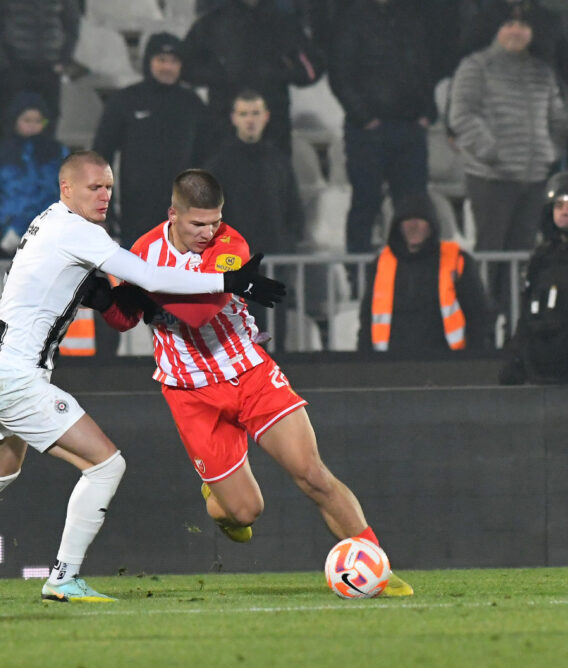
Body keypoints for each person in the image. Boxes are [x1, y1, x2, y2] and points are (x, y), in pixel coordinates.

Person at [0, 151, 285, 604]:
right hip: (15, 376)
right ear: (66, 189)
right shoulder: (78, 232)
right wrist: (228, 283)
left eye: (109, 187)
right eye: (93, 187)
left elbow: (99, 296)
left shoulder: (49, 221)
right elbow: (147, 275)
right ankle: (62, 577)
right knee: (106, 464)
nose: (104, 196)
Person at [95, 169, 413, 597]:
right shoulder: (143, 249)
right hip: (189, 391)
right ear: (173, 214)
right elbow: (123, 320)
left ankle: (378, 568)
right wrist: (103, 295)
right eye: (197, 224)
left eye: (215, 221)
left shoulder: (232, 244)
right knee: (245, 512)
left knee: (313, 475)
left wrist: (144, 285)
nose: (209, 232)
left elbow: (202, 313)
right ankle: (219, 492)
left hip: (248, 372)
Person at [449, 12, 568, 311]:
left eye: (523, 25)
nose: (516, 31)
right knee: (491, 254)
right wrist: (493, 152)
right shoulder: (476, 66)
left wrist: (548, 152)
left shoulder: (542, 72)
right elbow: (461, 116)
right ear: (496, 28)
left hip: (534, 179)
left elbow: (556, 118)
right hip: (491, 179)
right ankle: (483, 321)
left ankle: (515, 317)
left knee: (524, 254)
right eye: (509, 24)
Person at [328, 0, 435, 256]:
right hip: (367, 131)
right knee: (366, 202)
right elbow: (340, 73)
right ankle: (359, 276)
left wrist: (428, 110)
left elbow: (425, 65)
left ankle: (412, 271)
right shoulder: (350, 17)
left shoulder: (411, 16)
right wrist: (363, 117)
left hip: (409, 126)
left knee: (413, 207)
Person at [203, 89, 304, 345]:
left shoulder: (279, 161)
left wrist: (286, 249)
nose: (250, 119)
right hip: (234, 270)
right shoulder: (218, 165)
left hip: (274, 268)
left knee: (274, 344)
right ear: (233, 118)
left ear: (266, 117)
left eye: (255, 113)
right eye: (244, 113)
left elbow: (293, 212)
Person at [92, 32, 213, 246]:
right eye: (161, 60)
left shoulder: (193, 105)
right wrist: (102, 213)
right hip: (136, 216)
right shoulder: (125, 100)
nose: (167, 67)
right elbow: (100, 158)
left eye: (174, 61)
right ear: (148, 62)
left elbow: (207, 161)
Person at [182, 0, 324, 156]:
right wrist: (218, 75)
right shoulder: (212, 22)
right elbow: (185, 67)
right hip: (224, 121)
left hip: (273, 123)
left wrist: (281, 74)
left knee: (274, 177)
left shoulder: (284, 23)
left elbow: (312, 68)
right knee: (225, 177)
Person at [357, 192, 492, 354]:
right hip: (391, 366)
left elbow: (478, 316)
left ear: (431, 224)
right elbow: (367, 321)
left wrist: (473, 360)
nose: (413, 225)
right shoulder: (380, 264)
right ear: (398, 225)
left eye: (420, 219)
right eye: (407, 219)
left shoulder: (457, 260)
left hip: (448, 365)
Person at [0, 91, 68, 255]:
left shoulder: (57, 153)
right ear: (15, 121)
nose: (33, 125)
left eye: (39, 121)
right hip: (8, 236)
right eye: (27, 120)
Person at [499, 172, 568, 385]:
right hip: (544, 370)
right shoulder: (541, 258)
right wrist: (516, 359)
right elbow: (528, 314)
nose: (565, 211)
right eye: (558, 205)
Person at [0, 0, 80, 141]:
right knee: (8, 131)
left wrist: (63, 59)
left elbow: (72, 22)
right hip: (11, 70)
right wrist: (1, 63)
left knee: (46, 131)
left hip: (48, 69)